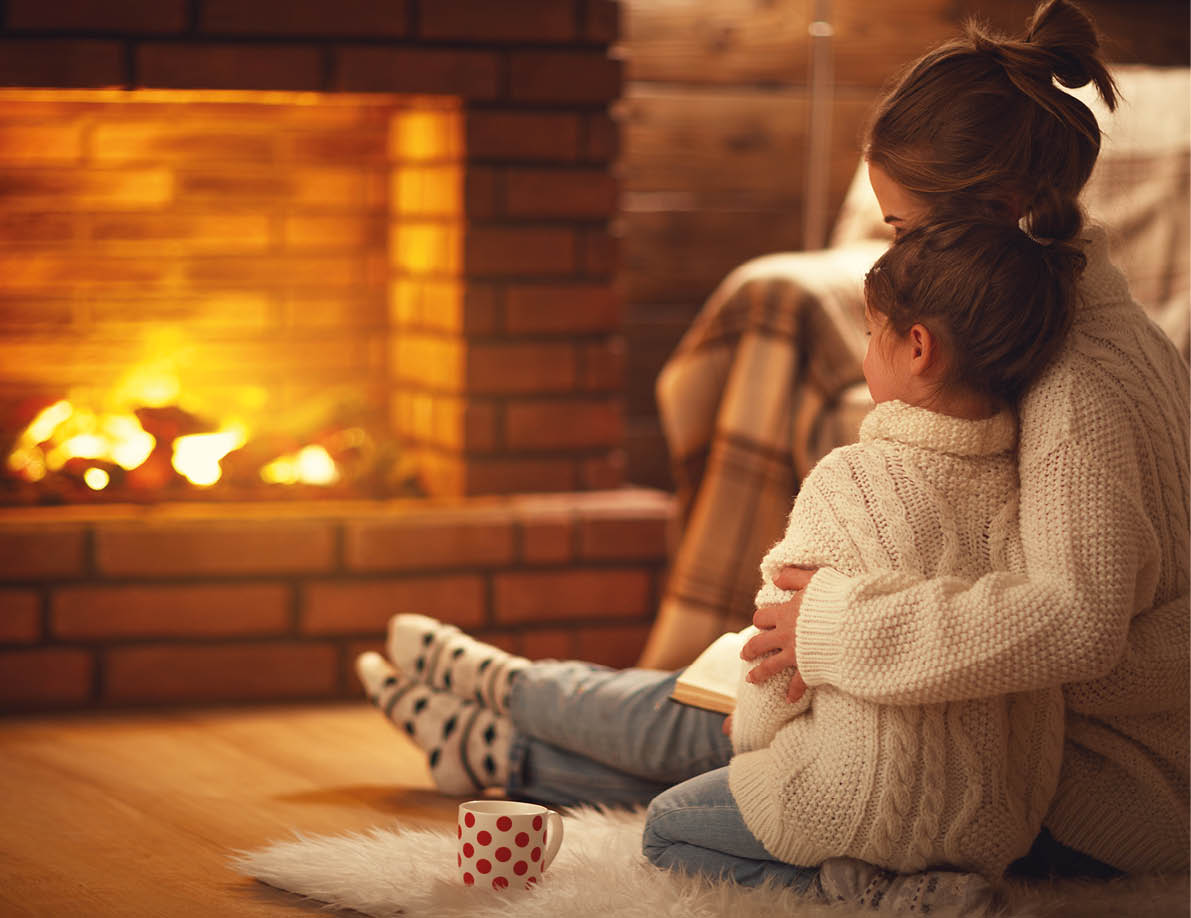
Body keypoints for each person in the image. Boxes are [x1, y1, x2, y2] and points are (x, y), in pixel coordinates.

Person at [355, 0, 1188, 905]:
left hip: (1103, 780)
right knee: (751, 696)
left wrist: (834, 629)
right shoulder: (1072, 326)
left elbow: (1077, 619)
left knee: (749, 724)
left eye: (904, 231)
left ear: (1003, 208)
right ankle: (512, 713)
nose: (896, 252)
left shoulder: (1081, 383)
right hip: (1020, 717)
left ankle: (514, 713)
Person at [641, 216, 1078, 894]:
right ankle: (926, 884)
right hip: (992, 824)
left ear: (917, 347)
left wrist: (754, 737)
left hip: (849, 800)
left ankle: (853, 889)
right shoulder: (1031, 491)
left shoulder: (849, 481)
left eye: (869, 333)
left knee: (664, 827)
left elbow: (773, 657)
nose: (863, 352)